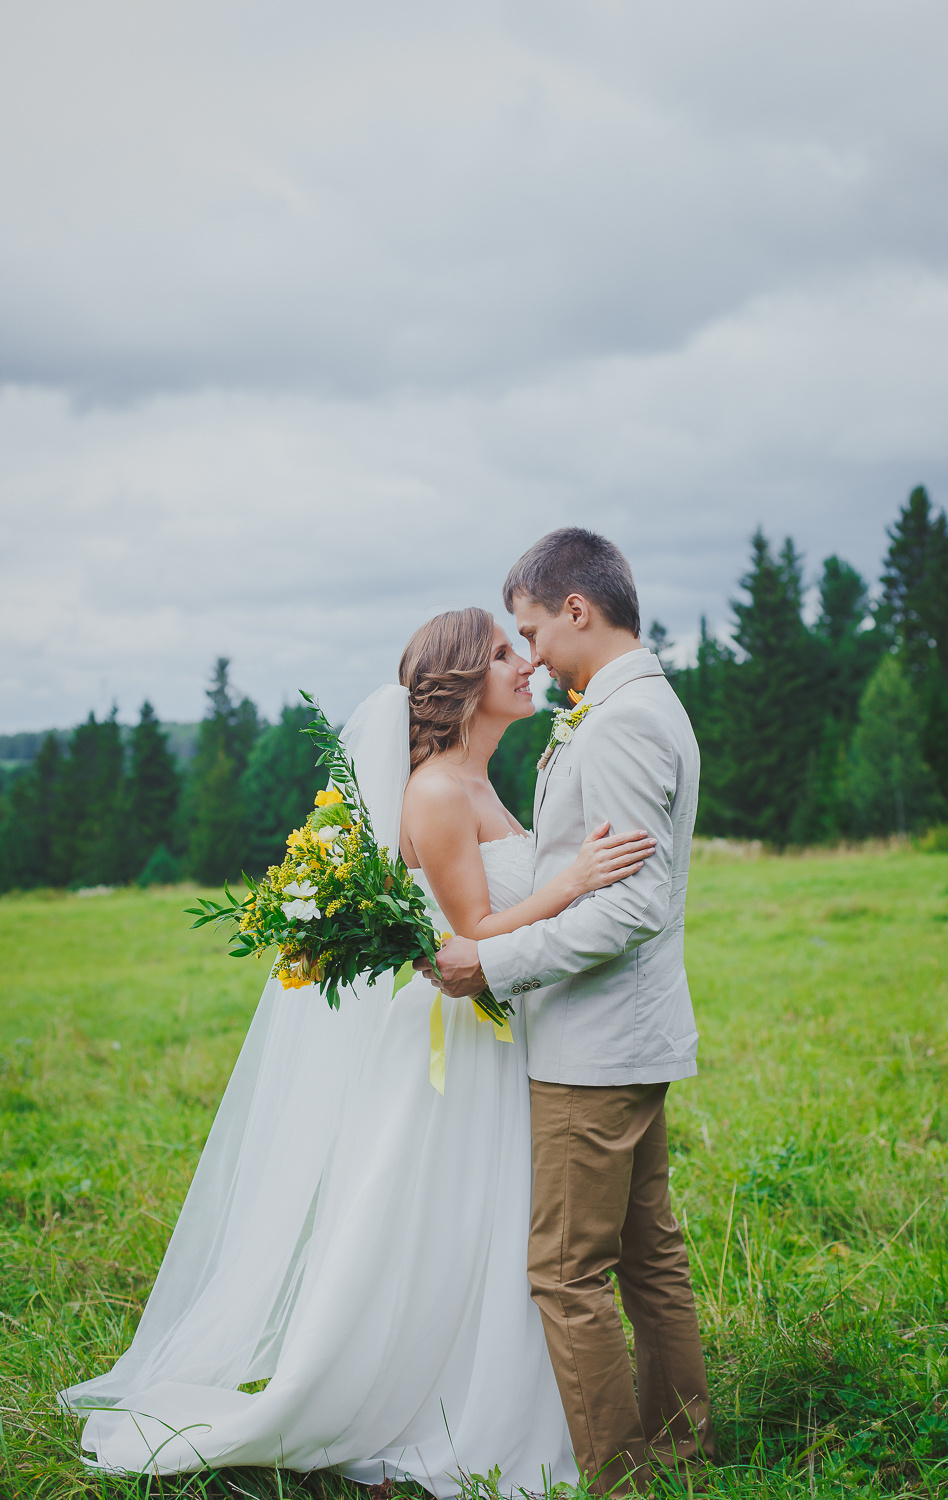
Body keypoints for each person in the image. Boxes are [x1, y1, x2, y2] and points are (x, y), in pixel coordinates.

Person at [60, 604, 656, 1493]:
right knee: (449, 1217)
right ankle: (426, 1403)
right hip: (458, 1046)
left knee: (486, 1223)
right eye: (503, 654)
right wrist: (569, 883)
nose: (524, 664)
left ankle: (486, 1384)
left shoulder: (485, 780)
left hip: (498, 1036)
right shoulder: (439, 792)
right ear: (459, 685)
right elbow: (475, 931)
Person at [423, 528, 713, 1493]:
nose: (532, 651)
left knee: (565, 1272)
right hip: (625, 1037)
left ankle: (621, 1477)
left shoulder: (623, 721)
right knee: (648, 1260)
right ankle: (678, 1451)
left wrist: (494, 962)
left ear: (577, 610)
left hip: (595, 1046)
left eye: (532, 627)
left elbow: (630, 905)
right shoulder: (631, 706)